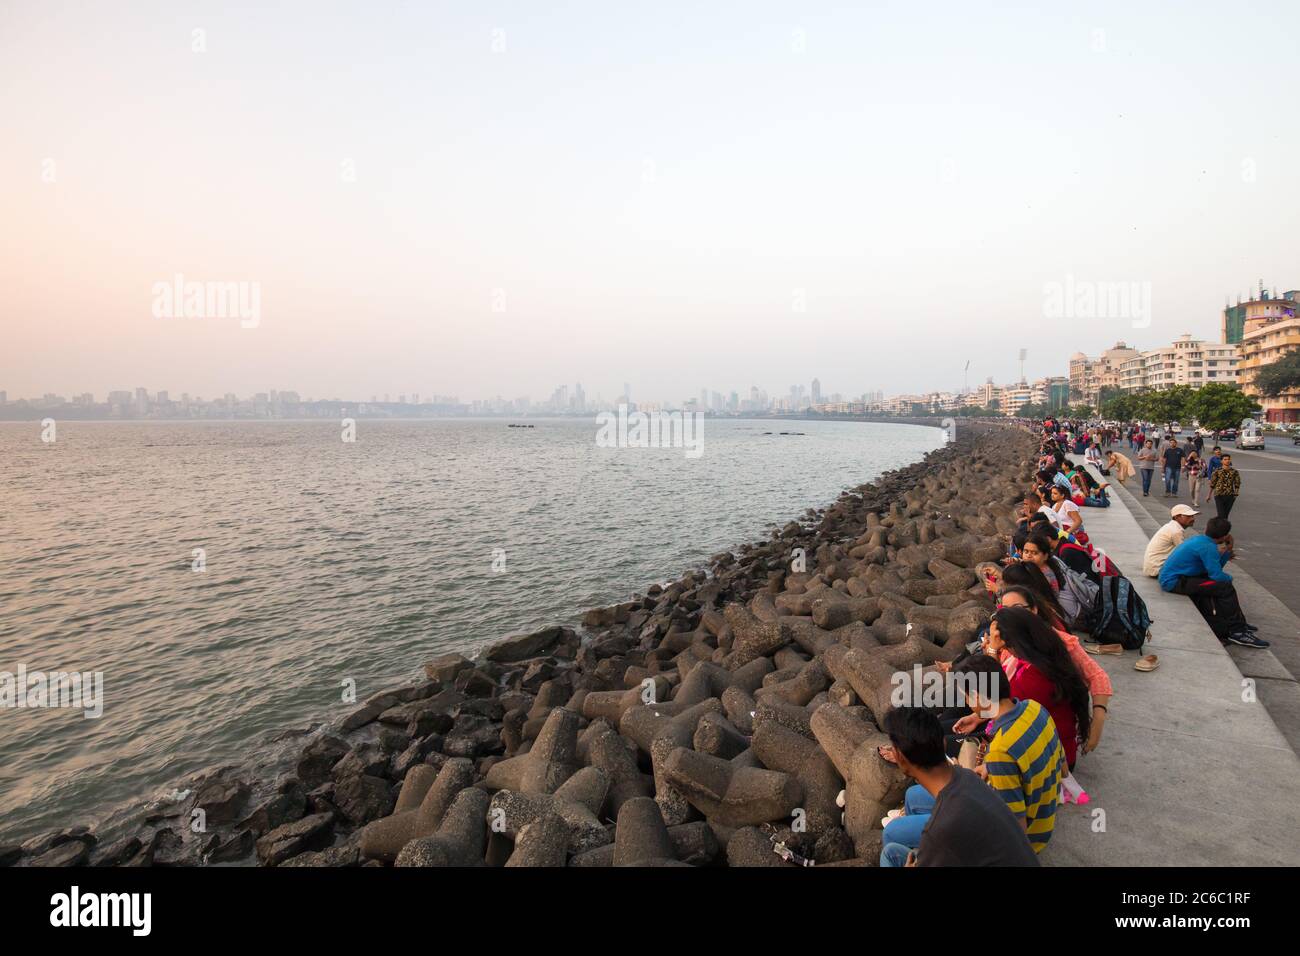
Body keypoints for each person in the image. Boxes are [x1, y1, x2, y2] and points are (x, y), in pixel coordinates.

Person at [877, 708, 1039, 867]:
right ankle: (917, 850)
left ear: (900, 759)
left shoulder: (938, 832)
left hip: (955, 844)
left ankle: (918, 851)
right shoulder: (967, 776)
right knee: (912, 798)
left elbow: (946, 833)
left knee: (890, 851)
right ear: (944, 742)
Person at [950, 655, 1066, 854]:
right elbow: (1062, 769)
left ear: (978, 697)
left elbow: (1014, 834)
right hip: (1045, 819)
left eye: (966, 696)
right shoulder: (1035, 708)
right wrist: (992, 769)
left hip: (1030, 840)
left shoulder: (1001, 751)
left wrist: (964, 786)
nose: (967, 702)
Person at [998, 586, 1111, 758]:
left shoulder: (1050, 651)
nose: (1012, 616)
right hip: (1019, 721)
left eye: (1018, 609)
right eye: (1005, 610)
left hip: (1037, 745)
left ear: (1034, 609)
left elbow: (1097, 676)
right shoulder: (1016, 646)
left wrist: (1097, 722)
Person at [1159, 517, 1268, 648]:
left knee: (1219, 586)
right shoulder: (1208, 548)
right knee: (1225, 588)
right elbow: (1217, 576)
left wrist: (1226, 552)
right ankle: (1237, 631)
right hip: (1174, 581)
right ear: (1225, 536)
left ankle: (1239, 624)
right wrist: (1229, 577)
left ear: (1206, 529)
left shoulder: (1200, 540)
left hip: (1181, 577)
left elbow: (1215, 570)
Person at [1142, 504, 1198, 578]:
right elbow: (1185, 552)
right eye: (1188, 516)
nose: (1192, 519)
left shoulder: (1171, 527)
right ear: (1177, 517)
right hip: (1158, 569)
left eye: (1192, 516)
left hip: (1153, 567)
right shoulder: (1176, 531)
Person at [1209, 452, 1241, 519]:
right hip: (1219, 495)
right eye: (1225, 459)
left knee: (1226, 515)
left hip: (1230, 495)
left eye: (1228, 459)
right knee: (1221, 514)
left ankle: (1223, 528)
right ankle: (1219, 527)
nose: (1227, 461)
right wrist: (1209, 495)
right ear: (1221, 461)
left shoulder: (1234, 471)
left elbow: (1237, 483)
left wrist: (1236, 493)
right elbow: (1213, 484)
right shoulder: (1217, 471)